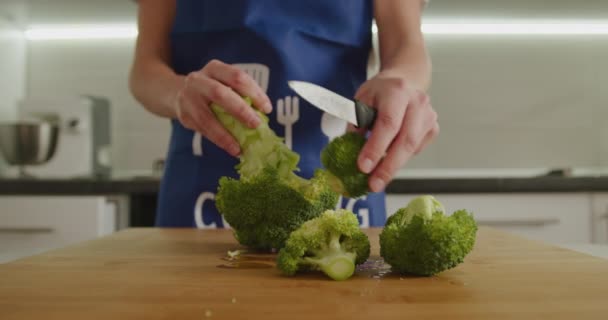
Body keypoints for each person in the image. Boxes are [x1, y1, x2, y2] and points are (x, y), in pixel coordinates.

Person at [129, 0, 439, 228]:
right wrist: (178, 93)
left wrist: (400, 82)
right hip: (201, 193)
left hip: (342, 192)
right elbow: (146, 69)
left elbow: (406, 45)